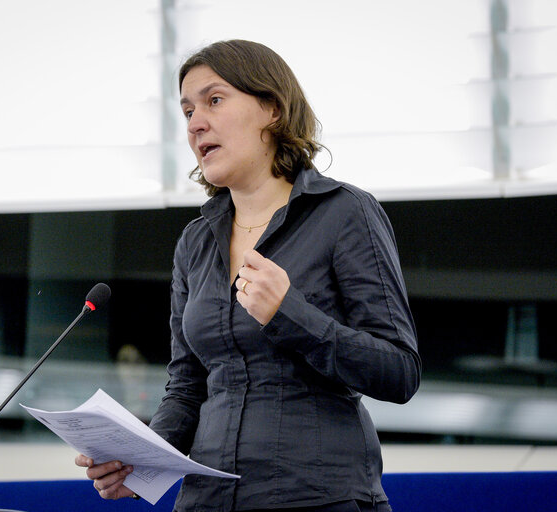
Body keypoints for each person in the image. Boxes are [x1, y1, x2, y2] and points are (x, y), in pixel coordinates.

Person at [75, 39, 421, 512]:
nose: (196, 122)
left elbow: (400, 372)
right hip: (208, 501)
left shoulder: (345, 213)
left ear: (272, 109)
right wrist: (144, 460)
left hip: (315, 499)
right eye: (188, 110)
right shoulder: (195, 242)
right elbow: (187, 383)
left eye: (215, 100)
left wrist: (290, 314)